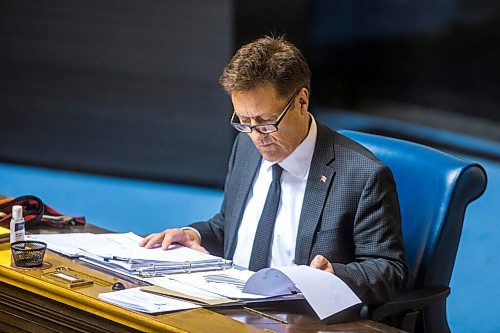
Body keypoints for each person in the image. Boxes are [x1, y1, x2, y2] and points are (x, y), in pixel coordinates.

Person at [140, 36, 407, 304]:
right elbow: (231, 225)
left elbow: (388, 271)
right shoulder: (244, 147)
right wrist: (194, 235)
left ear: (302, 101)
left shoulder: (362, 176)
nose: (256, 136)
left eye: (266, 122)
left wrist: (336, 275)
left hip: (302, 318)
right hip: (230, 304)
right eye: (244, 121)